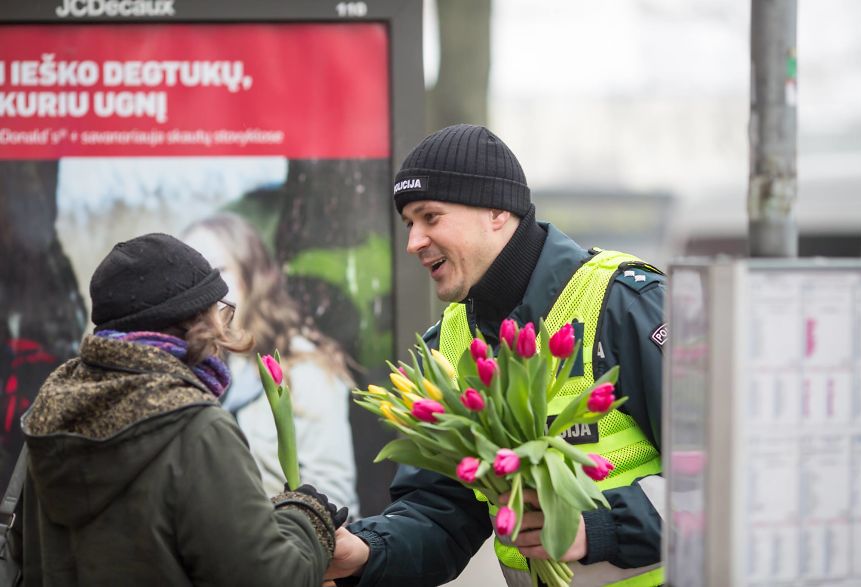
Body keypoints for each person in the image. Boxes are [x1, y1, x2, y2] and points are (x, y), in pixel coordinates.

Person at [328, 125, 665, 587]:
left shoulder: (625, 303)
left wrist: (599, 528)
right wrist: (367, 550)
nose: (414, 242)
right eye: (410, 224)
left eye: (430, 217)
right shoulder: (444, 347)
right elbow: (441, 513)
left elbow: (726, 475)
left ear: (496, 210)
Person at [11, 233, 342, 586]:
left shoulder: (52, 416)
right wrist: (306, 517)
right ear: (200, 321)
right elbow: (270, 578)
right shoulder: (196, 429)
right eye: (219, 310)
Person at [182, 214, 359, 518]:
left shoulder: (303, 366)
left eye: (218, 270)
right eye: (192, 276)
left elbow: (334, 495)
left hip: (281, 551)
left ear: (250, 276)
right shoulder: (177, 367)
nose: (204, 288)